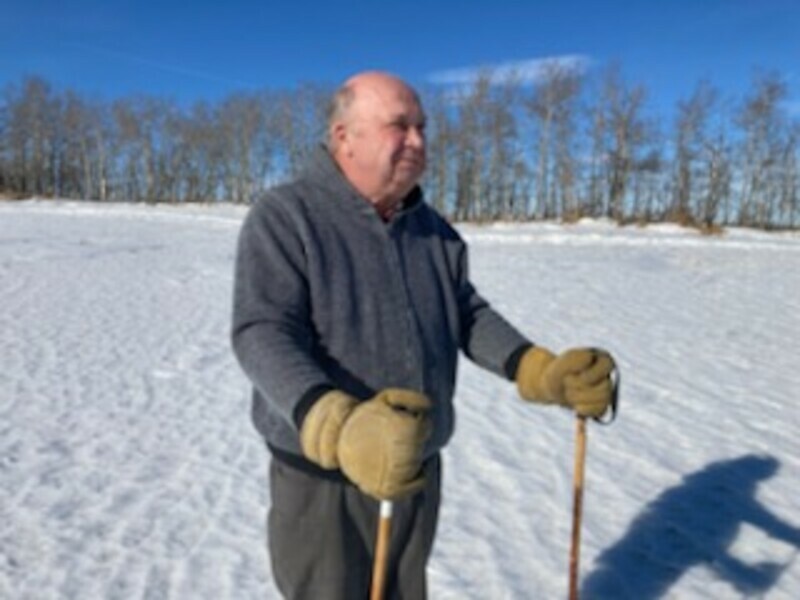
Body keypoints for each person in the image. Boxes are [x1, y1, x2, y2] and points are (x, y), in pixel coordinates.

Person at [231, 70, 617, 599]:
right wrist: (338, 424)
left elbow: (466, 312)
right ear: (345, 136)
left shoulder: (432, 229)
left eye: (422, 128)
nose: (417, 140)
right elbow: (262, 332)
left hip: (413, 467)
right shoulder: (288, 215)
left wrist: (536, 368)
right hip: (326, 480)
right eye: (399, 126)